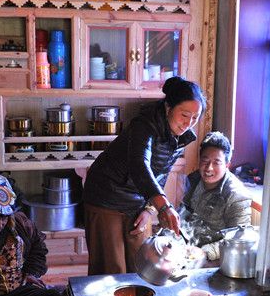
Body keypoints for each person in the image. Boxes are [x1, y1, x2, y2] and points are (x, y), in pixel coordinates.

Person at [82, 76, 207, 275]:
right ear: (168, 107)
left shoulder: (181, 136)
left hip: (140, 197)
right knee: (111, 268)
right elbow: (139, 164)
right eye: (184, 115)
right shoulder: (144, 124)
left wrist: (149, 209)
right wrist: (163, 206)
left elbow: (161, 173)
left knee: (141, 263)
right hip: (106, 195)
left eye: (195, 118)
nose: (188, 123)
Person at [180, 131, 252, 262]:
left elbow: (239, 237)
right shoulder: (193, 179)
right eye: (205, 161)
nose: (209, 168)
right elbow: (184, 213)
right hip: (188, 247)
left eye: (216, 162)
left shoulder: (237, 195)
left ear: (227, 165)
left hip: (217, 257)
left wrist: (205, 252)